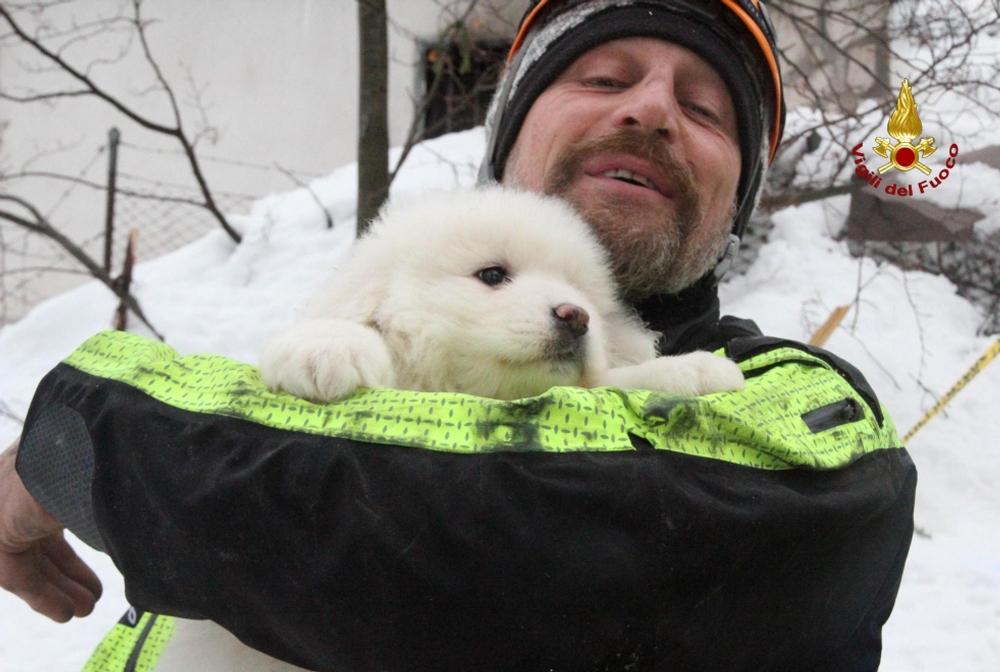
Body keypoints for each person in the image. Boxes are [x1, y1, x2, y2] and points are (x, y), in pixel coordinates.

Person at [0, 1, 916, 670]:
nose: (651, 111)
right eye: (603, 77)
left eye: (707, 109)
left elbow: (494, 533)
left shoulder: (787, 402)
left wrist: (82, 441)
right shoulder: (376, 302)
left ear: (740, 195)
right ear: (507, 139)